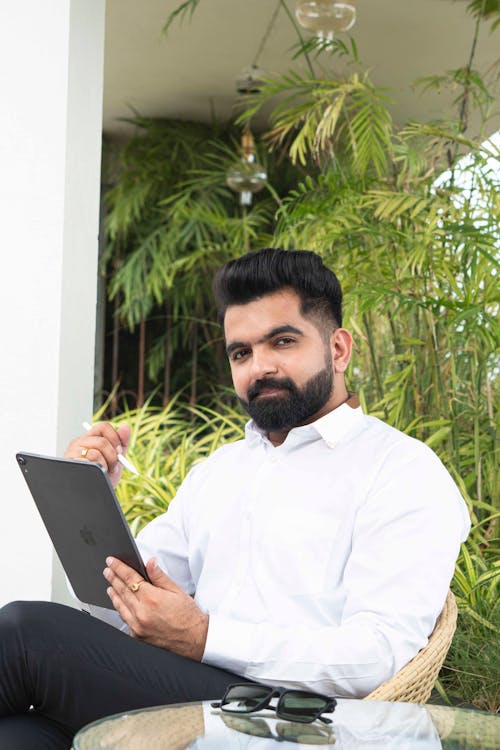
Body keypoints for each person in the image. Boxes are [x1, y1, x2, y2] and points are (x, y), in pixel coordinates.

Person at [0, 248, 470, 748]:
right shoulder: (218, 472)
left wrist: (204, 637)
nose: (259, 367)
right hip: (196, 696)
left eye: (282, 342)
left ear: (338, 350)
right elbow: (119, 611)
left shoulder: (400, 470)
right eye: (241, 353)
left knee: (27, 635)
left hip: (304, 723)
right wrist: (89, 501)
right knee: (22, 735)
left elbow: (375, 656)